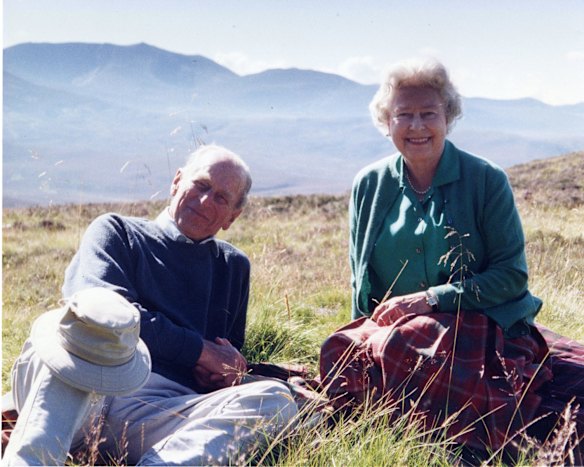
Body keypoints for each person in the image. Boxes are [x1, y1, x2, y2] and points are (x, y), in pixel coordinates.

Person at [319, 59, 583, 456]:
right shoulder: (368, 185)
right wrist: (363, 333)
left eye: (429, 113)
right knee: (340, 351)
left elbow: (511, 277)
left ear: (449, 117)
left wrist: (430, 300)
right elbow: (362, 281)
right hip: (397, 331)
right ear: (385, 122)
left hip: (478, 320)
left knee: (408, 345)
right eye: (403, 115)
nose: (417, 126)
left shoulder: (486, 180)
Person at [3, 144, 298, 466]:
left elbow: (222, 355)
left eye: (220, 198)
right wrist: (200, 351)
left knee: (275, 400)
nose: (204, 201)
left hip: (156, 411)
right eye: (201, 185)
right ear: (177, 181)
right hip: (79, 386)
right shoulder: (117, 230)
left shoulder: (232, 265)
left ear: (232, 217)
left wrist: (224, 374)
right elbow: (98, 311)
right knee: (61, 332)